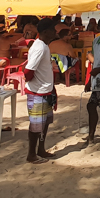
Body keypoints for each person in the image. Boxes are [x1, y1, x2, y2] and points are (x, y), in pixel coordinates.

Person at [23, 19, 57, 163]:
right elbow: (28, 70)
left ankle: (41, 149)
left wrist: (52, 88)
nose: (55, 32)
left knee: (45, 123)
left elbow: (46, 70)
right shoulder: (40, 47)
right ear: (45, 32)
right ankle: (31, 154)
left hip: (46, 90)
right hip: (38, 92)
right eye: (52, 29)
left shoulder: (45, 46)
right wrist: (34, 83)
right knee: (36, 125)